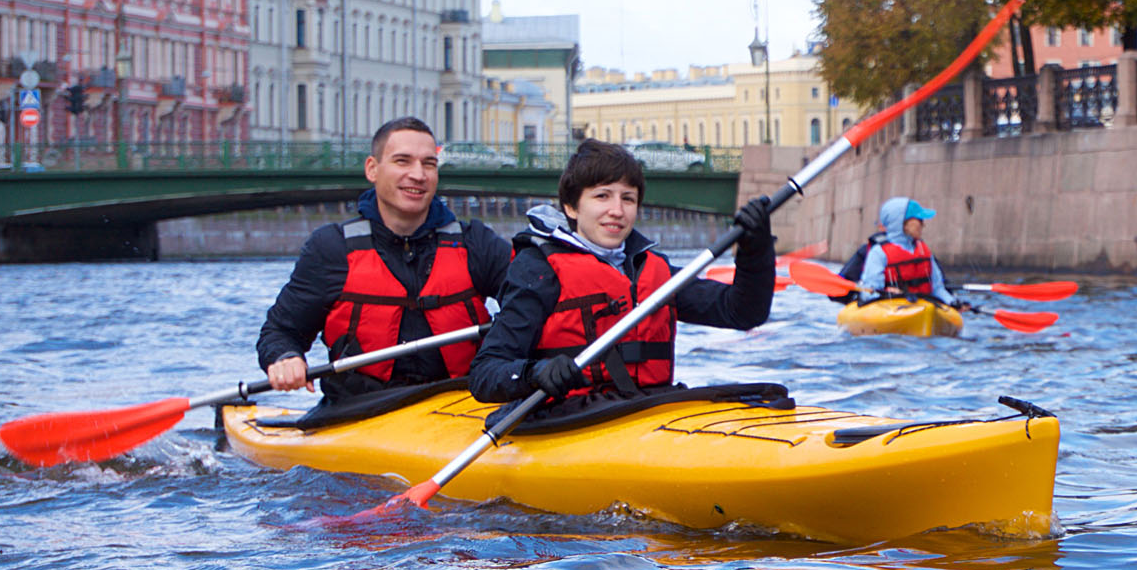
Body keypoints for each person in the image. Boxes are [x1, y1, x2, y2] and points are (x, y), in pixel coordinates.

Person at [468, 139, 776, 407]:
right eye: (602, 196)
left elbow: (744, 312)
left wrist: (755, 249)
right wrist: (534, 373)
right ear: (572, 208)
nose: (617, 210)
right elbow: (485, 373)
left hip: (647, 409)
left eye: (627, 198)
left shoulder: (651, 268)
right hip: (569, 416)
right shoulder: (539, 270)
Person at [257, 117, 511, 402]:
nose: (418, 174)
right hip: (360, 409)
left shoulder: (476, 243)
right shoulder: (331, 249)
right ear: (372, 169)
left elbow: (533, 304)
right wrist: (286, 357)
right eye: (402, 161)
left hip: (462, 405)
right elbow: (280, 332)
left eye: (428, 164)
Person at [857, 196, 966, 309]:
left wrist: (952, 302)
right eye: (919, 220)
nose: (923, 225)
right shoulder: (878, 253)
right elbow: (869, 293)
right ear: (903, 223)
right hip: (891, 307)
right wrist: (886, 294)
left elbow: (937, 288)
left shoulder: (924, 250)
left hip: (923, 306)